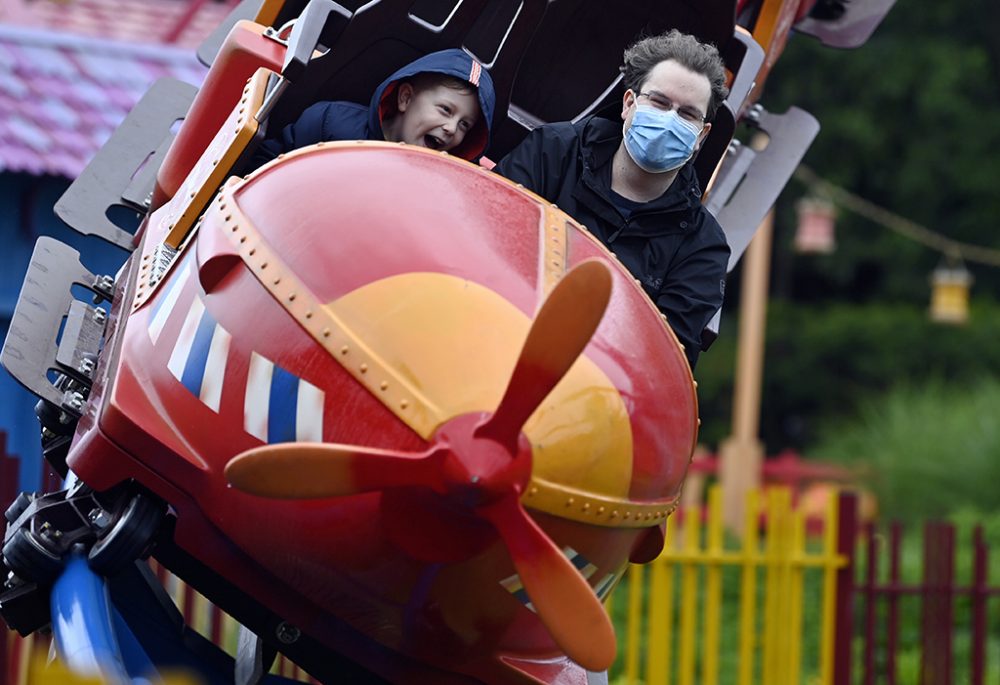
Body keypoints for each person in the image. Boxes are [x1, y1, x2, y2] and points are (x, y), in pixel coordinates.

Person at [494, 30, 731, 369]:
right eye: (660, 103)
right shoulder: (552, 153)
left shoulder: (702, 245)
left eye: (687, 114)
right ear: (629, 104)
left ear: (701, 136)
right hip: (495, 331)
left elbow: (664, 361)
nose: (669, 120)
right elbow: (487, 237)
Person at [250, 48, 496, 168]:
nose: (452, 128)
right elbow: (269, 163)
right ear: (405, 99)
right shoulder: (330, 122)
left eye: (465, 124)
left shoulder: (441, 181)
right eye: (445, 110)